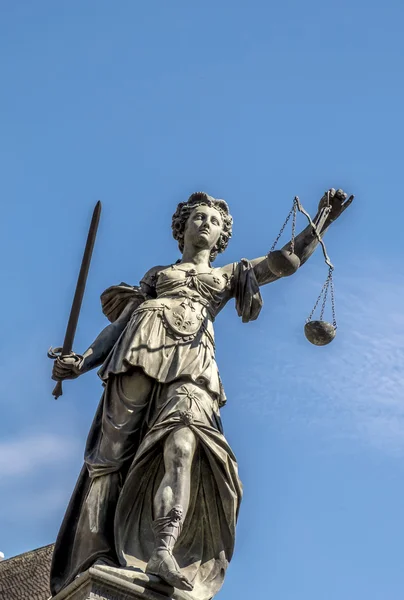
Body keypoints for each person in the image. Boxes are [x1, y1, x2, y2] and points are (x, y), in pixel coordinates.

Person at [50, 190, 352, 600]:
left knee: (184, 445)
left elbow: (285, 263)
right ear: (183, 228)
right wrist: (82, 361)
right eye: (198, 217)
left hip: (194, 362)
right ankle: (93, 551)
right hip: (138, 352)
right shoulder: (157, 276)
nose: (205, 223)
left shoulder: (227, 275)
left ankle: (162, 548)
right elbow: (118, 326)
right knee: (111, 456)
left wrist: (322, 220)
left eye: (214, 220)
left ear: (222, 234)